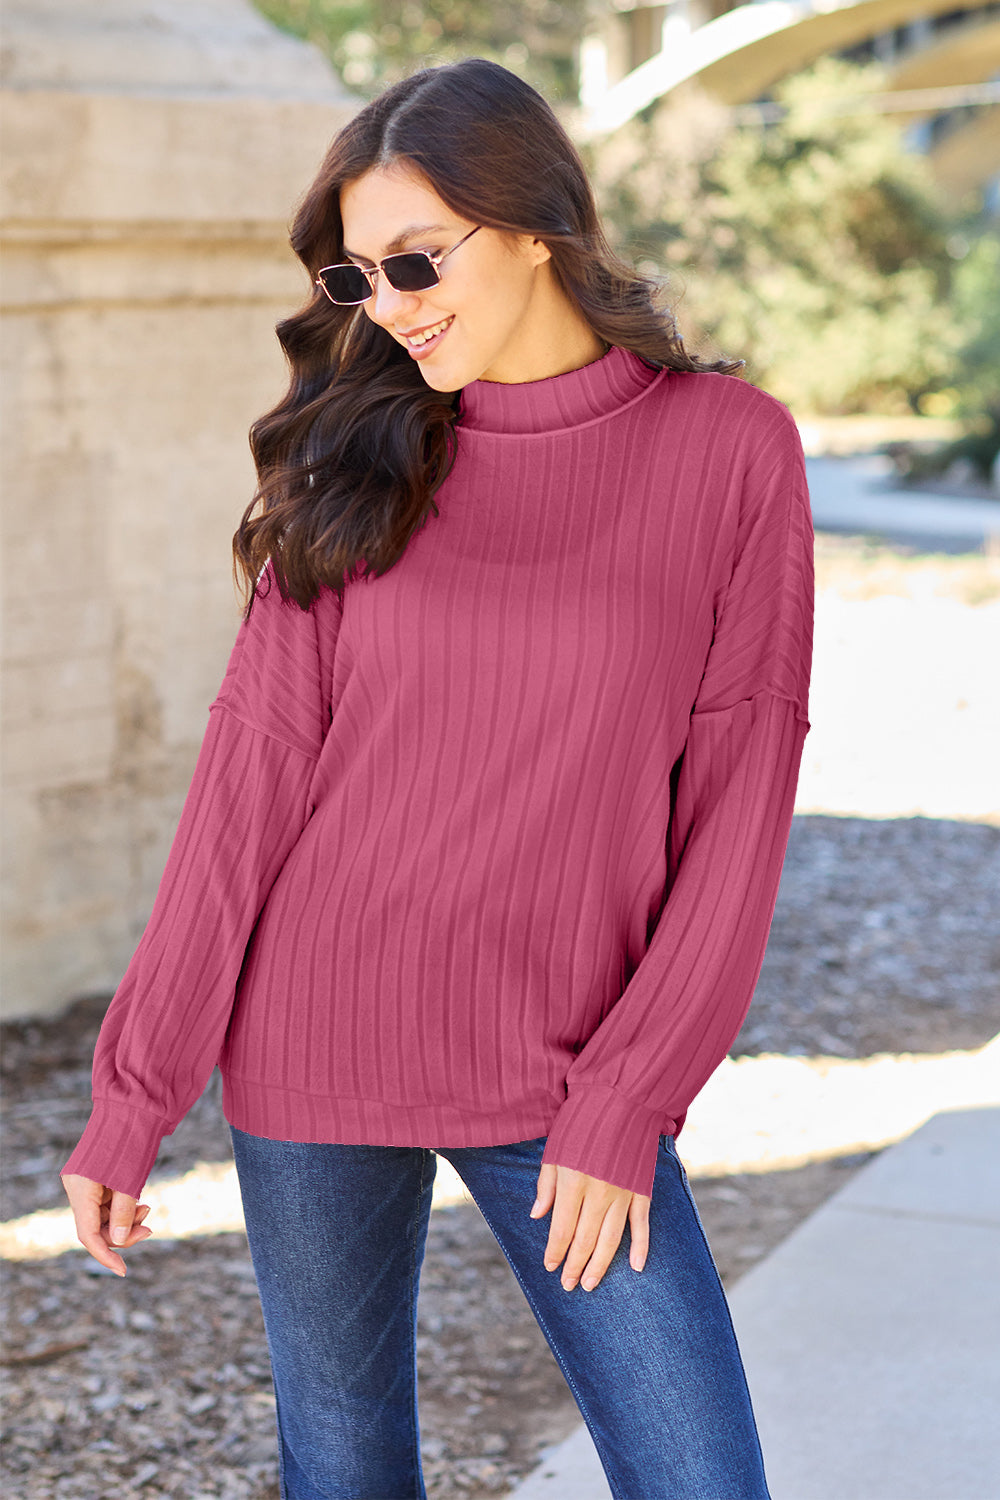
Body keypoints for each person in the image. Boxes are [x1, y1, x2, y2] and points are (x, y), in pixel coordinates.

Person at [61, 57, 813, 1500]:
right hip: (312, 1043)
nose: (392, 306)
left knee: (700, 1478)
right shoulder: (358, 459)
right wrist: (133, 1088)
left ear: (536, 224)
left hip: (568, 1061)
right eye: (358, 279)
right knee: (344, 1476)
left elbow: (739, 801)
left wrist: (630, 1096)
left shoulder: (731, 451)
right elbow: (250, 787)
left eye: (416, 261)